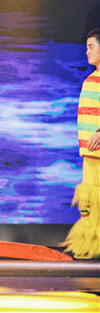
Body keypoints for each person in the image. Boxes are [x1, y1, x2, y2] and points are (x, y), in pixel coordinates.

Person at [62, 28, 100, 259]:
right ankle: (91, 245)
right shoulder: (90, 80)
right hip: (90, 154)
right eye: (86, 47)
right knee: (90, 200)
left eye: (91, 47)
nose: (87, 52)